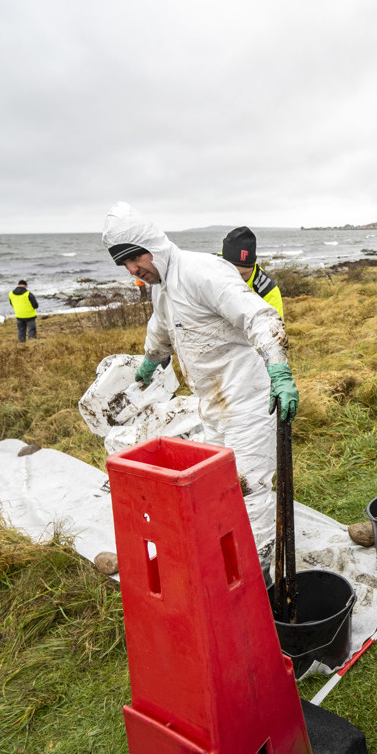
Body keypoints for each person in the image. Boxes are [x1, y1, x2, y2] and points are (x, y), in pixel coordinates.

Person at [102, 202, 299, 571]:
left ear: (153, 245)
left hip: (249, 400)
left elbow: (259, 316)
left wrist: (280, 373)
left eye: (134, 258)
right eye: (124, 264)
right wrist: (150, 360)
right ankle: (232, 559)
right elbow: (161, 327)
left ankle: (260, 576)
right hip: (213, 403)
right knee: (221, 486)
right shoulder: (161, 288)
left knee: (249, 487)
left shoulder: (201, 272)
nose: (133, 270)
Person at [222, 226, 284, 316]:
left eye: (243, 274)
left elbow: (275, 328)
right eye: (232, 272)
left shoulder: (269, 293)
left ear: (253, 265)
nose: (238, 279)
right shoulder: (210, 265)